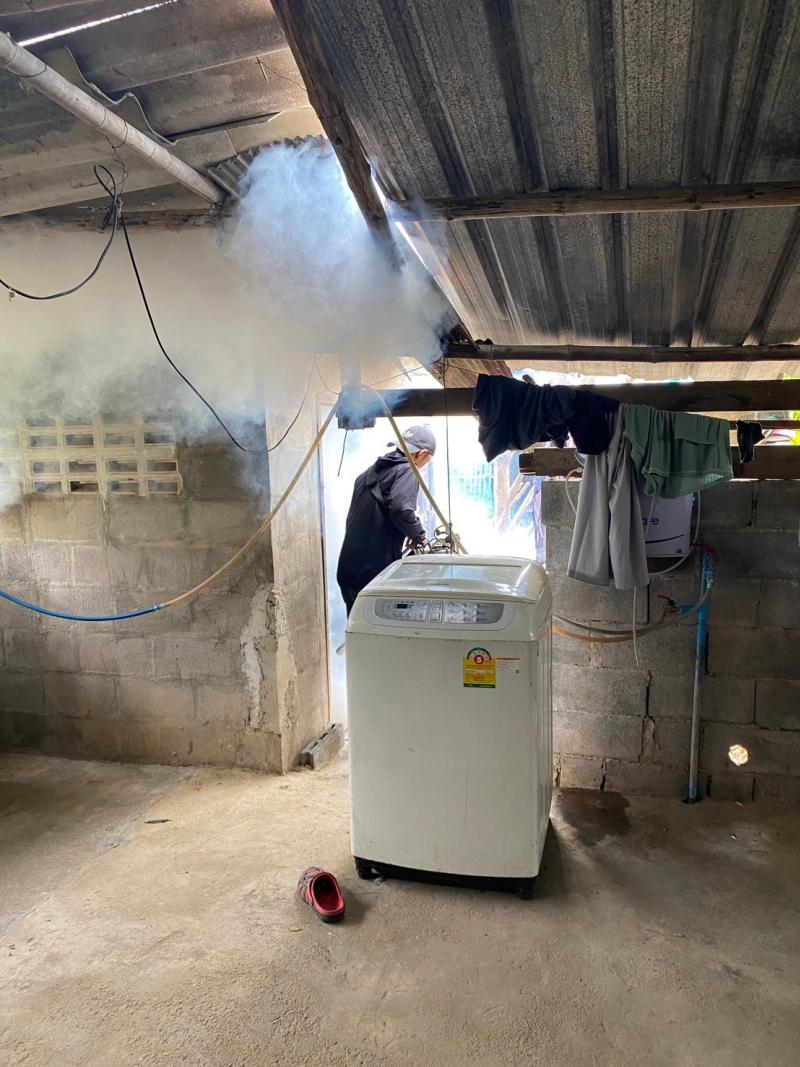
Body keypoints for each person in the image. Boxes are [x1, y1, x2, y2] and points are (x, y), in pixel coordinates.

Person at [337, 425, 436, 615]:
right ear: (422, 454)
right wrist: (419, 535)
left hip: (348, 570)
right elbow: (401, 508)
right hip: (373, 576)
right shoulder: (407, 470)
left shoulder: (368, 474)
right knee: (379, 629)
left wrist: (407, 530)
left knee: (357, 627)